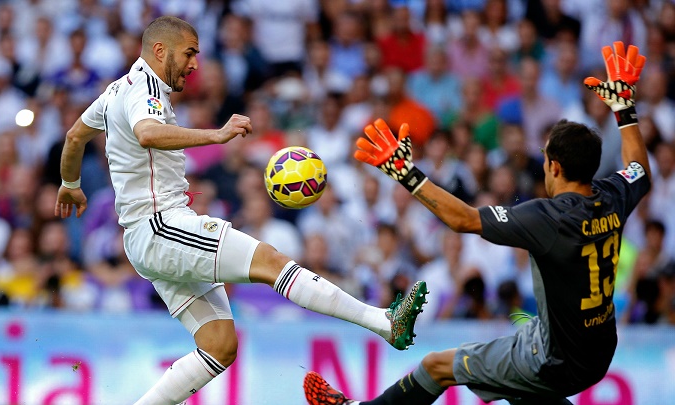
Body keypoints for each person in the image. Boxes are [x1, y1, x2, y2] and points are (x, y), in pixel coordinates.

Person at [53, 16, 428, 405]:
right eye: (190, 53)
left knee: (219, 347)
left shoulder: (117, 89)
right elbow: (147, 132)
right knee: (270, 261)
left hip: (145, 239)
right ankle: (384, 323)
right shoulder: (143, 89)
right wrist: (215, 135)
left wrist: (70, 184)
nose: (195, 64)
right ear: (159, 51)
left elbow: (75, 135)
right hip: (161, 225)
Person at [303, 41, 649, 405]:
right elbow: (640, 169)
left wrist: (406, 173)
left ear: (555, 167)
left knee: (437, 365)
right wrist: (624, 106)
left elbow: (463, 219)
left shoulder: (546, 218)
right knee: (521, 387)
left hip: (552, 358)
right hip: (595, 350)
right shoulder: (612, 195)